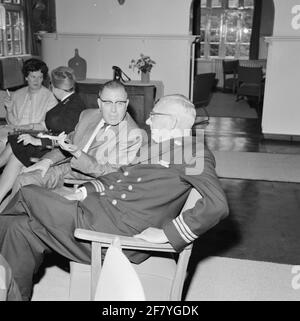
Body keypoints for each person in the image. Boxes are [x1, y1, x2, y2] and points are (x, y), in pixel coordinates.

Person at [0, 94, 229, 300]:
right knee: (19, 229)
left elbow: (216, 204)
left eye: (154, 116)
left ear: (171, 121)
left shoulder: (194, 153)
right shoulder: (158, 147)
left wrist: (166, 234)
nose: (148, 121)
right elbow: (120, 176)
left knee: (28, 192)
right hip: (100, 214)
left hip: (114, 232)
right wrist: (82, 191)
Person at [10, 79, 143, 193]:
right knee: (23, 180)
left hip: (89, 182)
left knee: (30, 187)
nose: (114, 110)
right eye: (108, 102)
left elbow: (111, 173)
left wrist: (78, 154)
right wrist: (47, 161)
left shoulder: (132, 135)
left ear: (126, 104)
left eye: (119, 103)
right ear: (99, 103)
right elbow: (69, 141)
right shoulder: (88, 115)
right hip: (65, 167)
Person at [0, 66, 86, 208]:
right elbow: (48, 126)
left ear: (54, 86)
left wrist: (37, 140)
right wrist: (25, 129)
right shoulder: (70, 101)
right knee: (17, 143)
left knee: (18, 149)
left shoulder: (73, 107)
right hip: (48, 142)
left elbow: (68, 138)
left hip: (57, 150)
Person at [0, 58, 57, 154]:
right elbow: (12, 122)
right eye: (33, 77)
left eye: (40, 77)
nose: (37, 81)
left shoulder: (49, 97)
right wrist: (9, 110)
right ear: (26, 77)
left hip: (35, 135)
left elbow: (48, 126)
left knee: (5, 141)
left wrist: (26, 128)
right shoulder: (17, 94)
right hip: (15, 131)